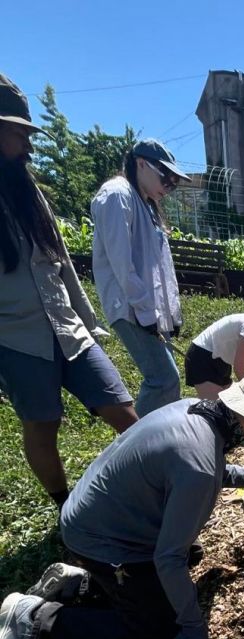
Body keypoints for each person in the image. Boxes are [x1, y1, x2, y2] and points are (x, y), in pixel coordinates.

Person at [0, 368, 244, 639]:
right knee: (157, 629)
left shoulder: (195, 412)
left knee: (191, 553)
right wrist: (192, 627)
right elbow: (168, 556)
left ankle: (83, 584)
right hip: (101, 539)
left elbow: (217, 471)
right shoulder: (198, 465)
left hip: (96, 518)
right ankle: (35, 617)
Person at [0, 73, 137, 509]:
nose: (28, 145)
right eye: (19, 134)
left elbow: (63, 267)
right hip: (17, 339)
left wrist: (89, 324)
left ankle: (148, 496)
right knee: (42, 426)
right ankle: (66, 506)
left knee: (126, 414)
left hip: (69, 331)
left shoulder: (31, 195)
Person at [91, 138, 191, 416]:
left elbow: (161, 269)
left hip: (151, 311)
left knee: (170, 386)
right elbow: (122, 264)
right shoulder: (116, 195)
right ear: (141, 164)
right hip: (131, 308)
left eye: (174, 182)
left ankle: (159, 447)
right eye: (166, 178)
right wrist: (146, 314)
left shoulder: (145, 204)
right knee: (163, 381)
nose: (169, 187)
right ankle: (133, 449)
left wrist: (171, 315)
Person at [184, 312, 244, 399]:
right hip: (202, 357)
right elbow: (239, 370)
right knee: (216, 410)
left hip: (223, 360)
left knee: (229, 405)